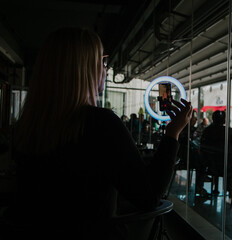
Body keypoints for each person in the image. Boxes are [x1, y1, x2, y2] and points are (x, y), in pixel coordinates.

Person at [5, 27, 192, 240]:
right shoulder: (101, 124)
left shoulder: (27, 127)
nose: (105, 69)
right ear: (85, 69)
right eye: (102, 62)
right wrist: (173, 132)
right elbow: (149, 196)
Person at [197, 110, 232, 198]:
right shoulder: (230, 132)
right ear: (224, 120)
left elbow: (202, 146)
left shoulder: (207, 131)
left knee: (200, 161)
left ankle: (199, 187)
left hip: (209, 166)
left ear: (213, 119)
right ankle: (231, 191)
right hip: (226, 167)